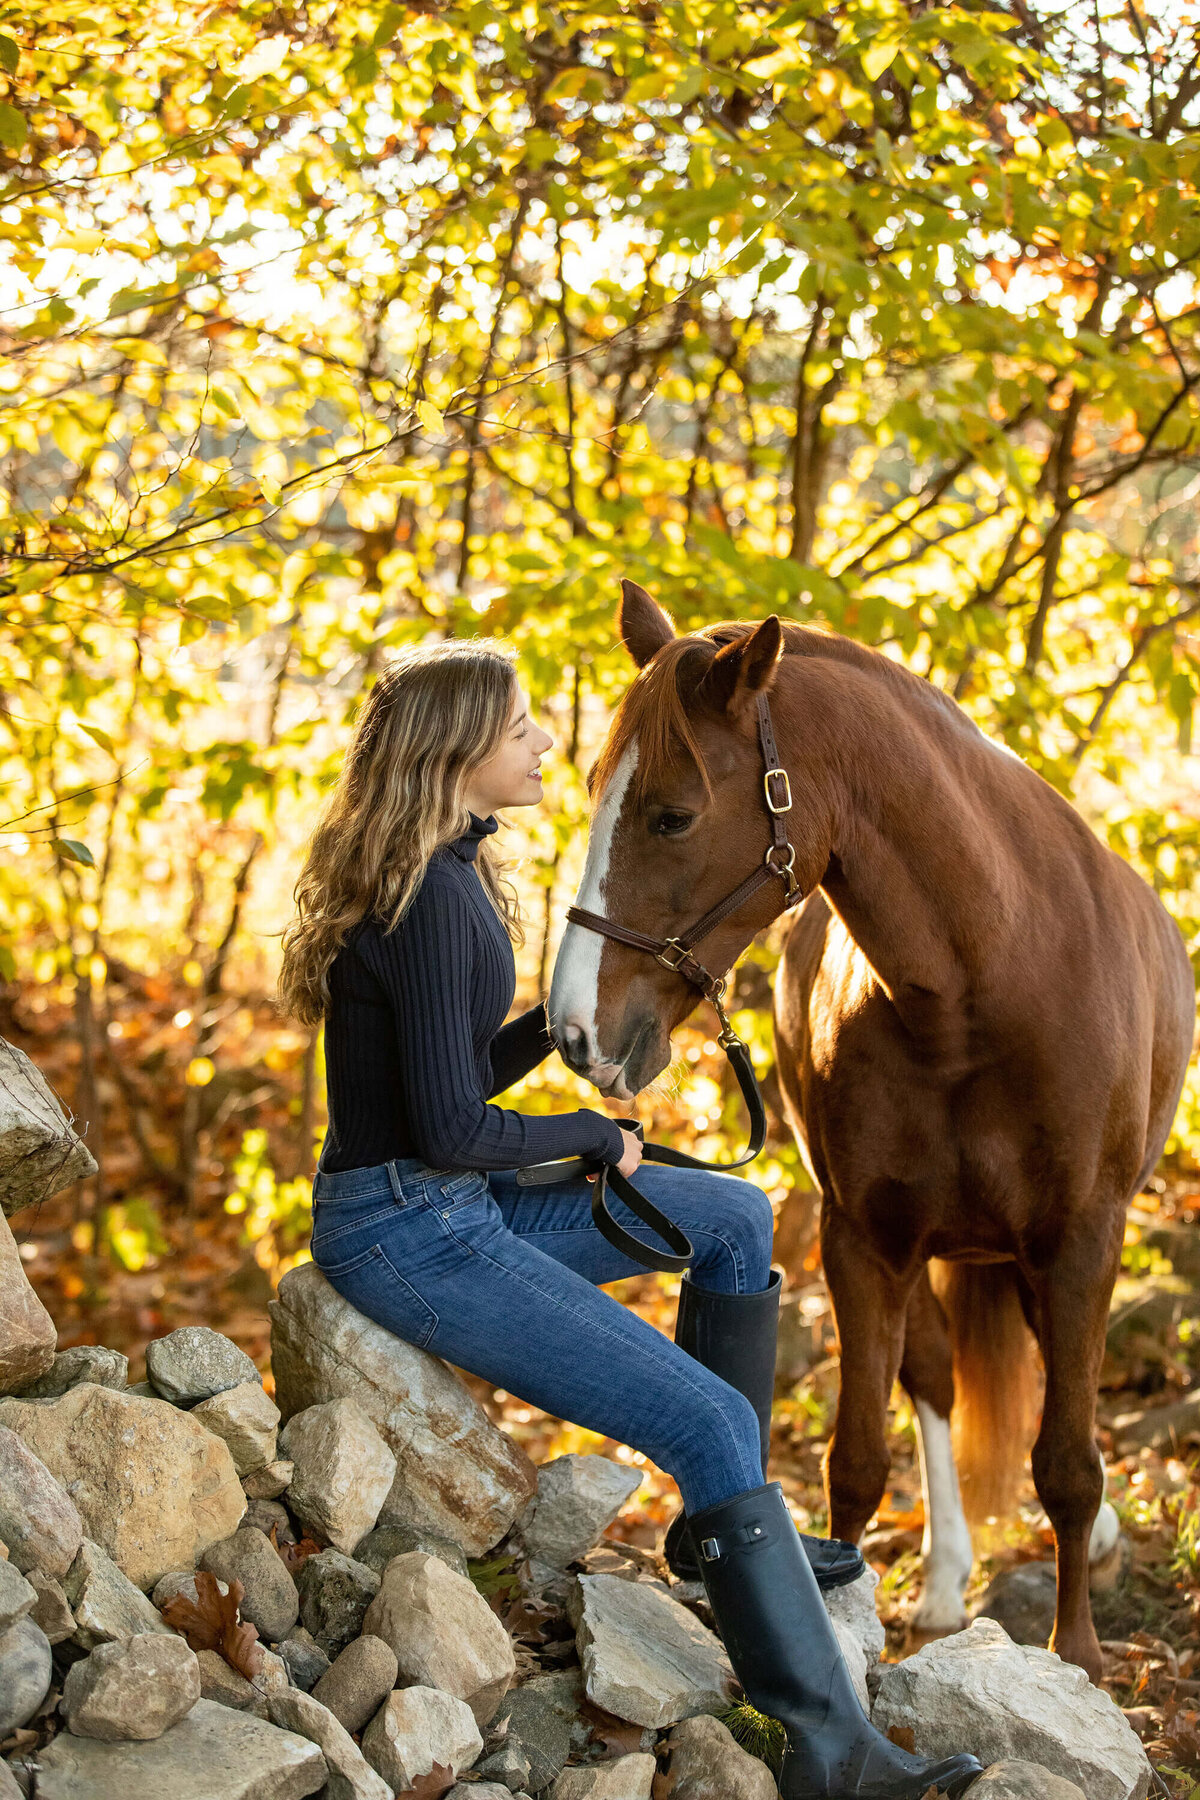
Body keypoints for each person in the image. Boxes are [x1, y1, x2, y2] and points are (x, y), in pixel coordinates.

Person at [276, 638, 982, 1800]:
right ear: (457, 755)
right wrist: (594, 1134)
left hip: (443, 1199)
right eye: (519, 732)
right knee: (703, 1419)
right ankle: (834, 1751)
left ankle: (721, 1538)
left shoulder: (437, 872)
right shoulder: (435, 901)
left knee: (734, 1215)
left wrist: (548, 1036)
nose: (545, 745)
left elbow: (444, 1081)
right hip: (407, 1228)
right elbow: (449, 1131)